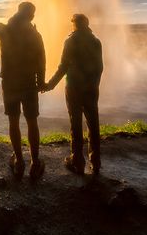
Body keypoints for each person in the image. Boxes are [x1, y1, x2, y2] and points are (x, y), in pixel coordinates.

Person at [0, 2, 46, 179]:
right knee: (32, 122)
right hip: (29, 84)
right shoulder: (35, 35)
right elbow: (41, 60)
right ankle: (35, 163)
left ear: (18, 12)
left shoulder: (6, 31)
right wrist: (41, 82)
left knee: (13, 121)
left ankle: (19, 161)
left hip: (10, 83)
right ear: (32, 16)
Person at [43, 13, 103, 175]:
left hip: (74, 87)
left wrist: (50, 85)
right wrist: (94, 84)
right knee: (93, 123)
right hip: (91, 89)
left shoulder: (71, 40)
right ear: (87, 24)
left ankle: (77, 161)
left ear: (75, 25)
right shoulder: (96, 41)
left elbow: (63, 66)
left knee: (75, 122)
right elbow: (99, 67)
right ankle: (95, 162)